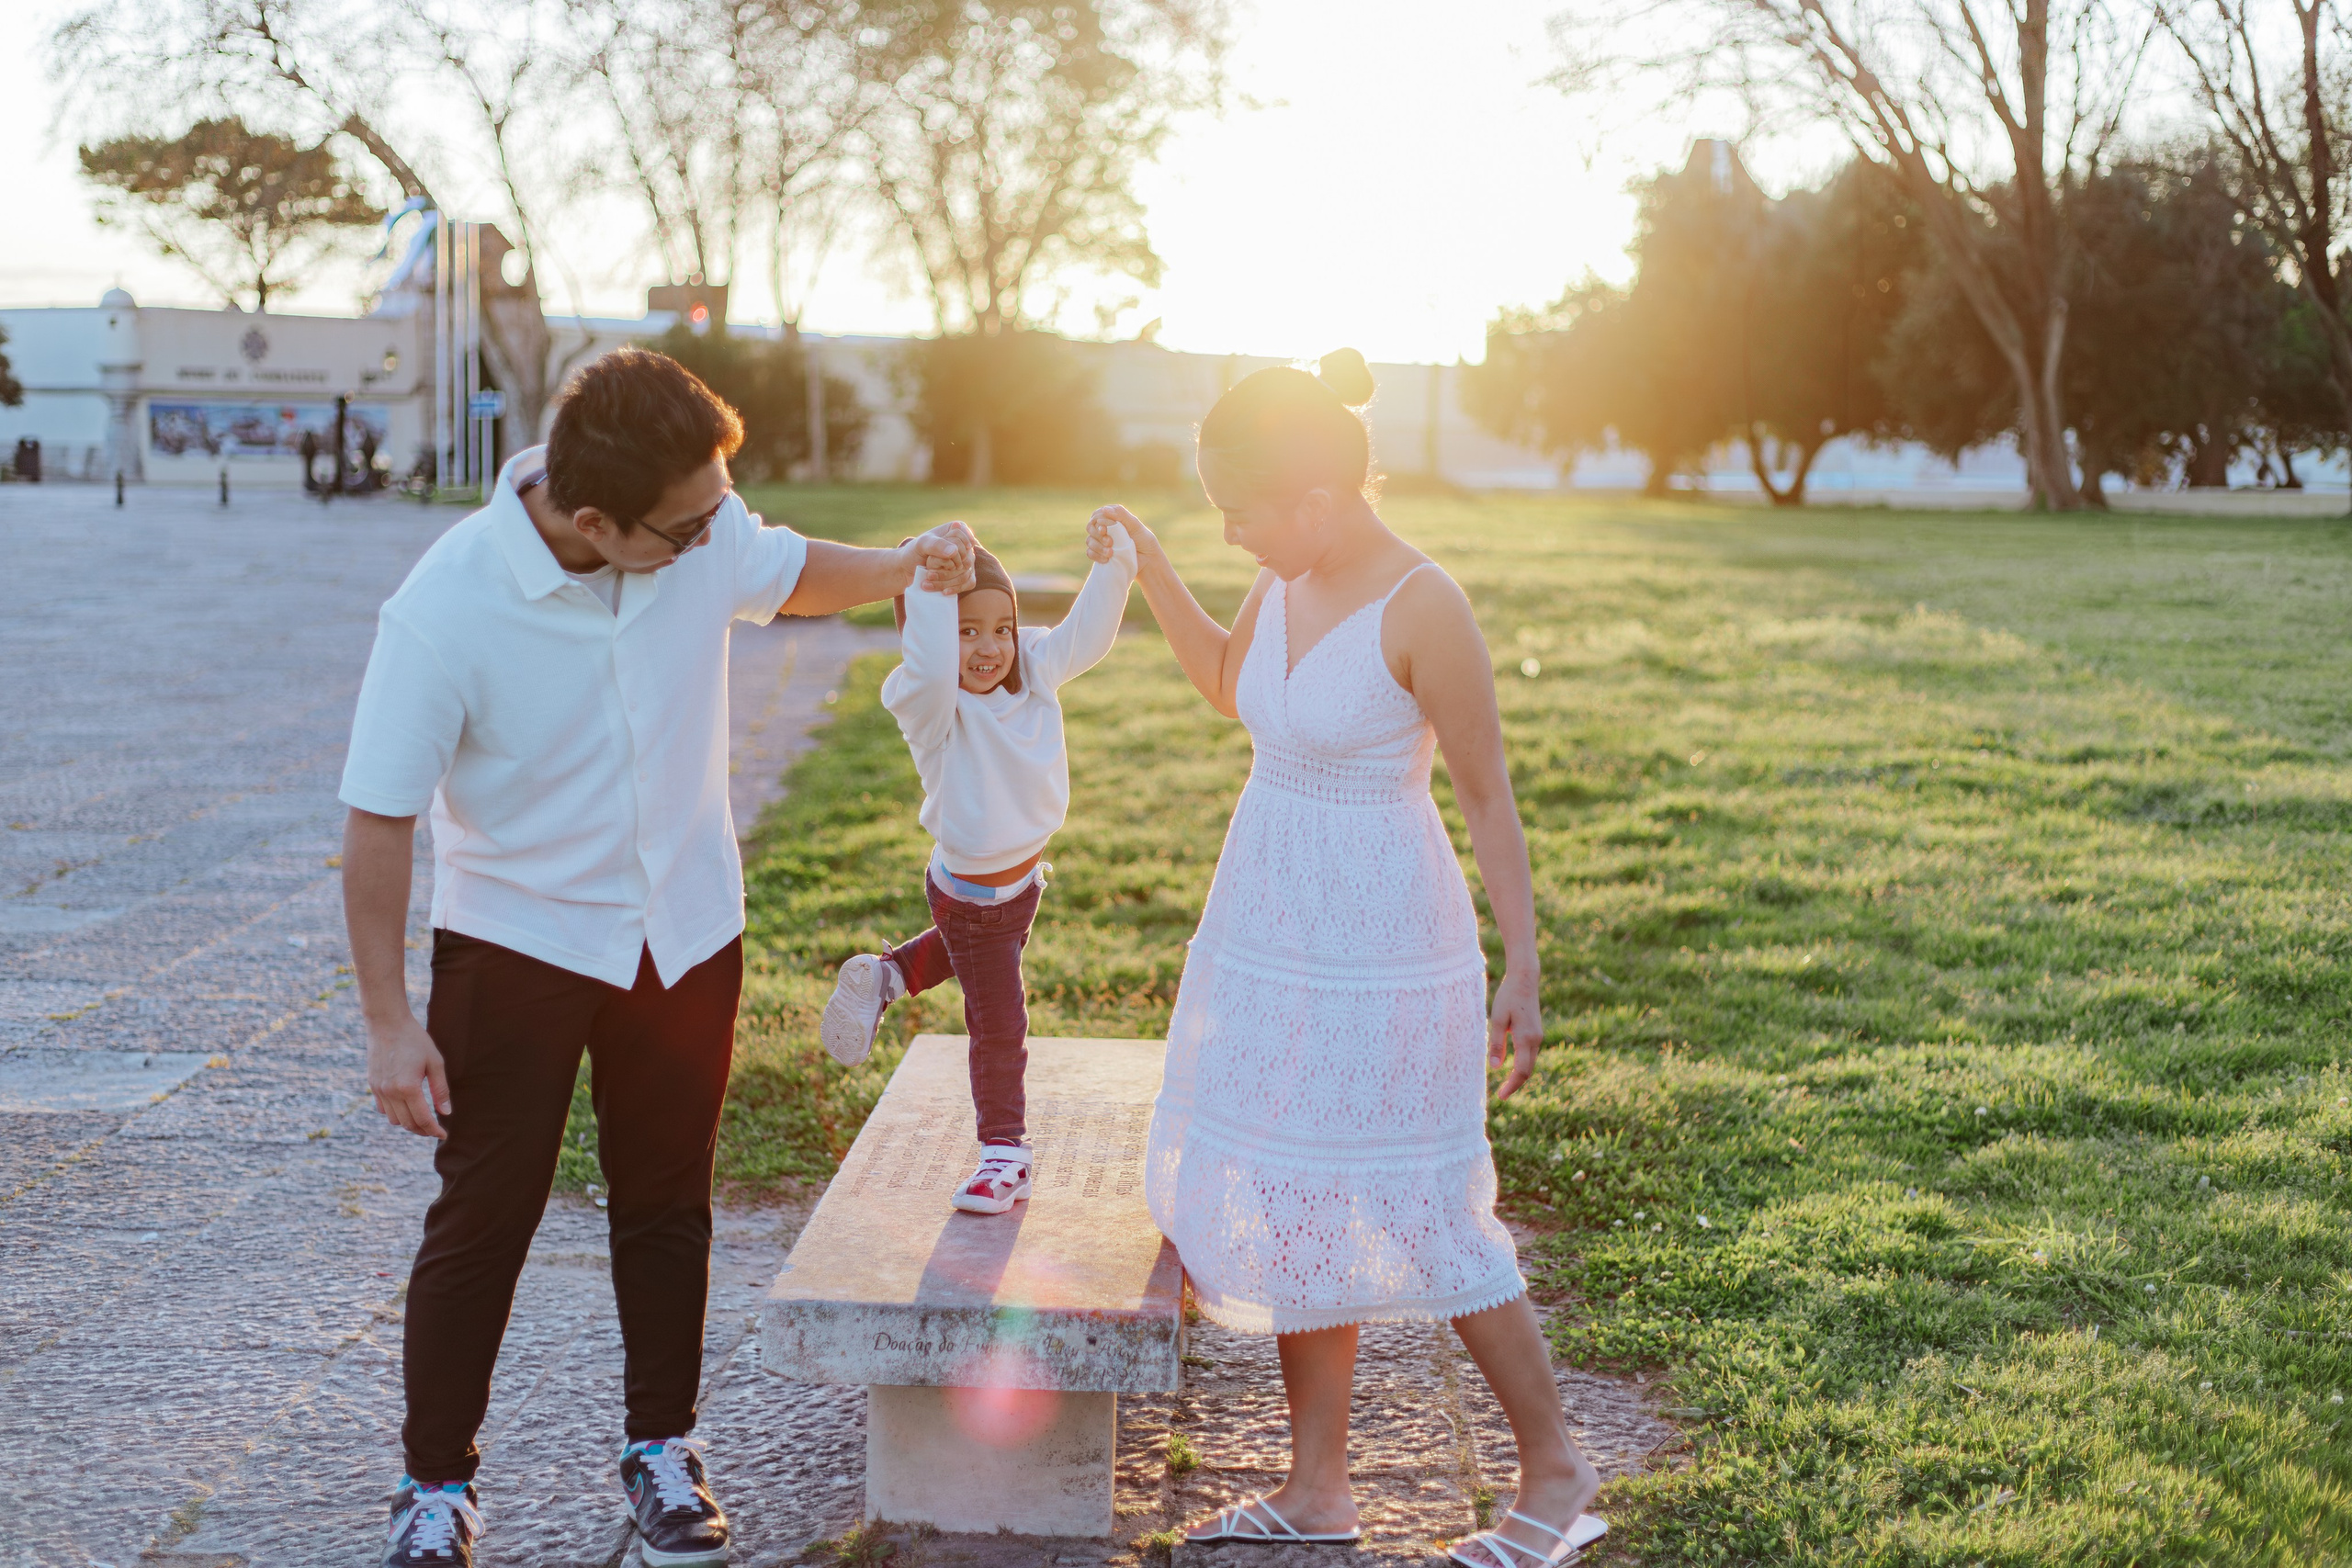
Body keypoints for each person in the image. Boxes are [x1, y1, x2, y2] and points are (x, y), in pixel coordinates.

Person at [338, 347, 975, 1568]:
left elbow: (784, 571)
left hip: (684, 929)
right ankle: (434, 1485)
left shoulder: (702, 527)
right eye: (688, 526)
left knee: (668, 1199)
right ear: (594, 521)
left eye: (719, 507)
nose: (715, 537)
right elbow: (377, 818)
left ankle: (661, 1445)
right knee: (485, 1214)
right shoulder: (445, 605)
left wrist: (904, 565)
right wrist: (385, 1020)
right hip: (518, 941)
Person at [1114, 352, 1607, 1565]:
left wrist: (1524, 968)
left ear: (1320, 503)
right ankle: (1319, 1485)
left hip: (1385, 942)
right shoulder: (1284, 585)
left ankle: (1559, 1469)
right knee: (1296, 1194)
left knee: (1424, 1200)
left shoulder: (1423, 604)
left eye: (1242, 510)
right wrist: (1150, 567)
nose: (1232, 532)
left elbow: (1490, 797)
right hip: (1271, 929)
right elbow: (1232, 688)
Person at [819, 522, 1136, 1213]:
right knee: (1000, 1019)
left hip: (1017, 887)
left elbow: (1087, 633)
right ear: (932, 636)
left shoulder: (1033, 670)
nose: (989, 647)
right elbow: (931, 663)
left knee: (974, 959)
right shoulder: (929, 702)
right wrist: (933, 585)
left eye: (1000, 627)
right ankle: (1004, 1152)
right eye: (966, 632)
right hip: (974, 893)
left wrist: (1115, 566)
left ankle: (890, 975)